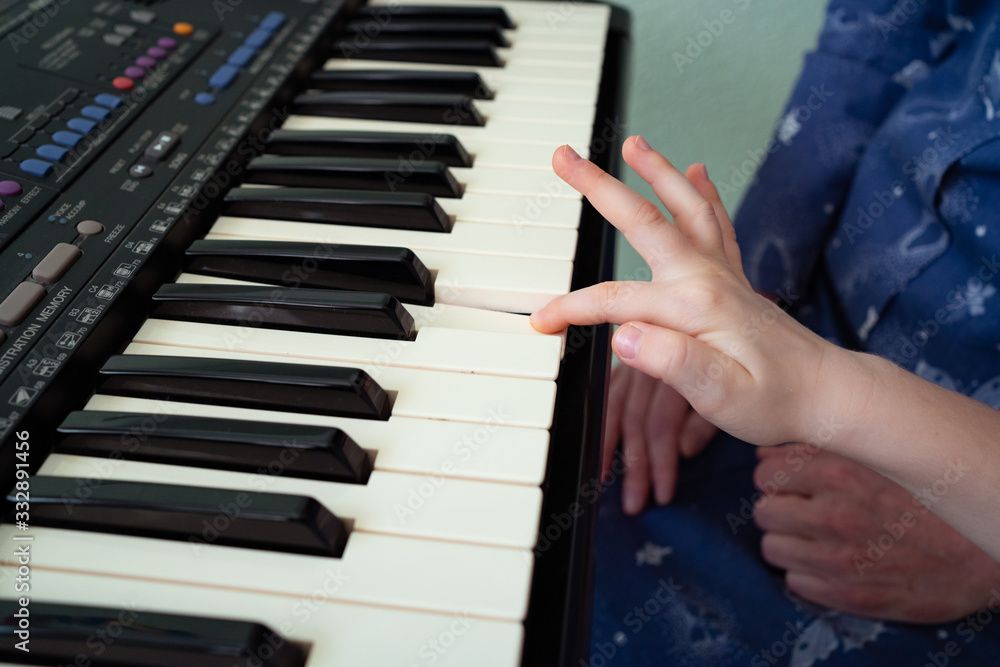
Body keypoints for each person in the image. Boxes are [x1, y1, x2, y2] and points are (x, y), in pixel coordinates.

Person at [531, 1, 1000, 664]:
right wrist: (739, 294)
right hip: (818, 321)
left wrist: (983, 547)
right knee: (542, 480)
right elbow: (885, 26)